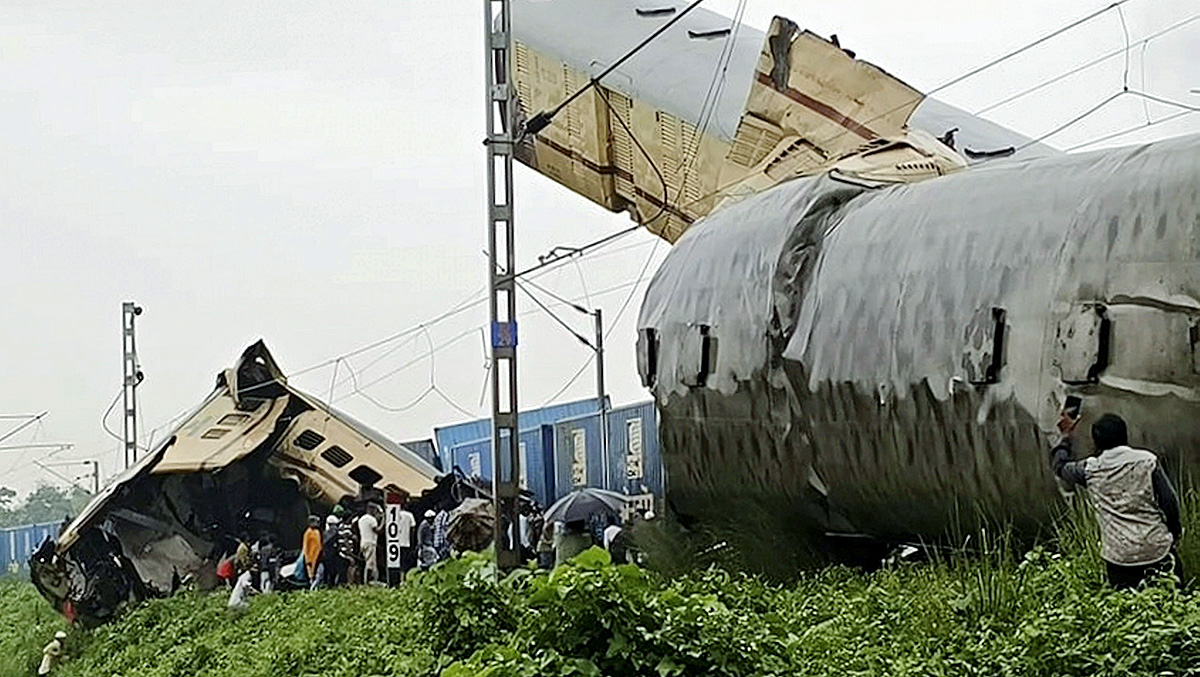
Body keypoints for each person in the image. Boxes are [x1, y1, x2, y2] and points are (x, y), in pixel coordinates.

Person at [1051, 411, 1183, 589]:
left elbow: (1059, 466)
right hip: (1157, 549)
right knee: (1174, 602)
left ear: (1097, 442)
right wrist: (1174, 533)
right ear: (1125, 435)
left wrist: (1066, 437)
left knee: (1128, 611)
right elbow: (1169, 502)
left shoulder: (1090, 470)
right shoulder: (1147, 461)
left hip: (1120, 559)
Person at [359, 505, 381, 584]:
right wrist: (383, 522)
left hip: (363, 542)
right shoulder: (372, 520)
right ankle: (367, 581)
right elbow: (378, 530)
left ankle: (369, 580)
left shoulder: (361, 519)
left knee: (367, 561)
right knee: (370, 564)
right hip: (370, 542)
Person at [321, 515, 345, 587]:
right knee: (333, 572)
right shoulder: (334, 531)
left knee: (328, 573)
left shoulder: (325, 533)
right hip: (332, 555)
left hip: (326, 555)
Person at [397, 500, 416, 579]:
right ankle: (403, 579)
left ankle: (398, 579)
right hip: (406, 542)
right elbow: (413, 528)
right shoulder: (409, 515)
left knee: (397, 562)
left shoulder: (394, 515)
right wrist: (412, 540)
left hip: (395, 542)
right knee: (405, 562)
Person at [302, 515, 323, 587]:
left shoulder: (315, 532)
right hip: (311, 558)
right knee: (312, 576)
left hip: (316, 557)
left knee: (317, 575)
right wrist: (307, 558)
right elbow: (306, 546)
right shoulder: (309, 532)